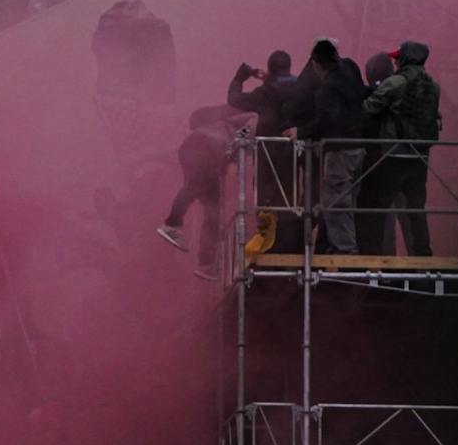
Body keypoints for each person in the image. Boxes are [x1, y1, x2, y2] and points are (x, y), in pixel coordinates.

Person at [359, 40, 440, 257]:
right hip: (420, 155)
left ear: (405, 59)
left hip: (393, 154)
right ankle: (423, 260)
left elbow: (367, 109)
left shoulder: (395, 83)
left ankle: (378, 261)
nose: (394, 62)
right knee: (416, 210)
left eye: (397, 58)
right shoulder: (434, 86)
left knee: (380, 208)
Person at [157, 106, 254, 278]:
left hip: (206, 150)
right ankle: (172, 224)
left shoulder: (221, 122)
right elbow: (254, 118)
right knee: (195, 187)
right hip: (205, 147)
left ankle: (207, 264)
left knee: (213, 210)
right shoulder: (252, 116)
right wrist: (241, 140)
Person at [297, 39, 368, 255]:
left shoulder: (327, 88)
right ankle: (346, 247)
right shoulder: (351, 71)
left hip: (339, 150)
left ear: (317, 64)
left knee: (334, 202)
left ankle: (345, 251)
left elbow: (326, 120)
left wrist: (300, 132)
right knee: (348, 201)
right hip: (360, 147)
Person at [227, 51, 303, 250]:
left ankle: (267, 246)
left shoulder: (265, 93)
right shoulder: (300, 88)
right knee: (290, 202)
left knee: (265, 202)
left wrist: (239, 78)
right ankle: (289, 249)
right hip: (293, 154)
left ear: (270, 68)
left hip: (267, 155)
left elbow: (235, 100)